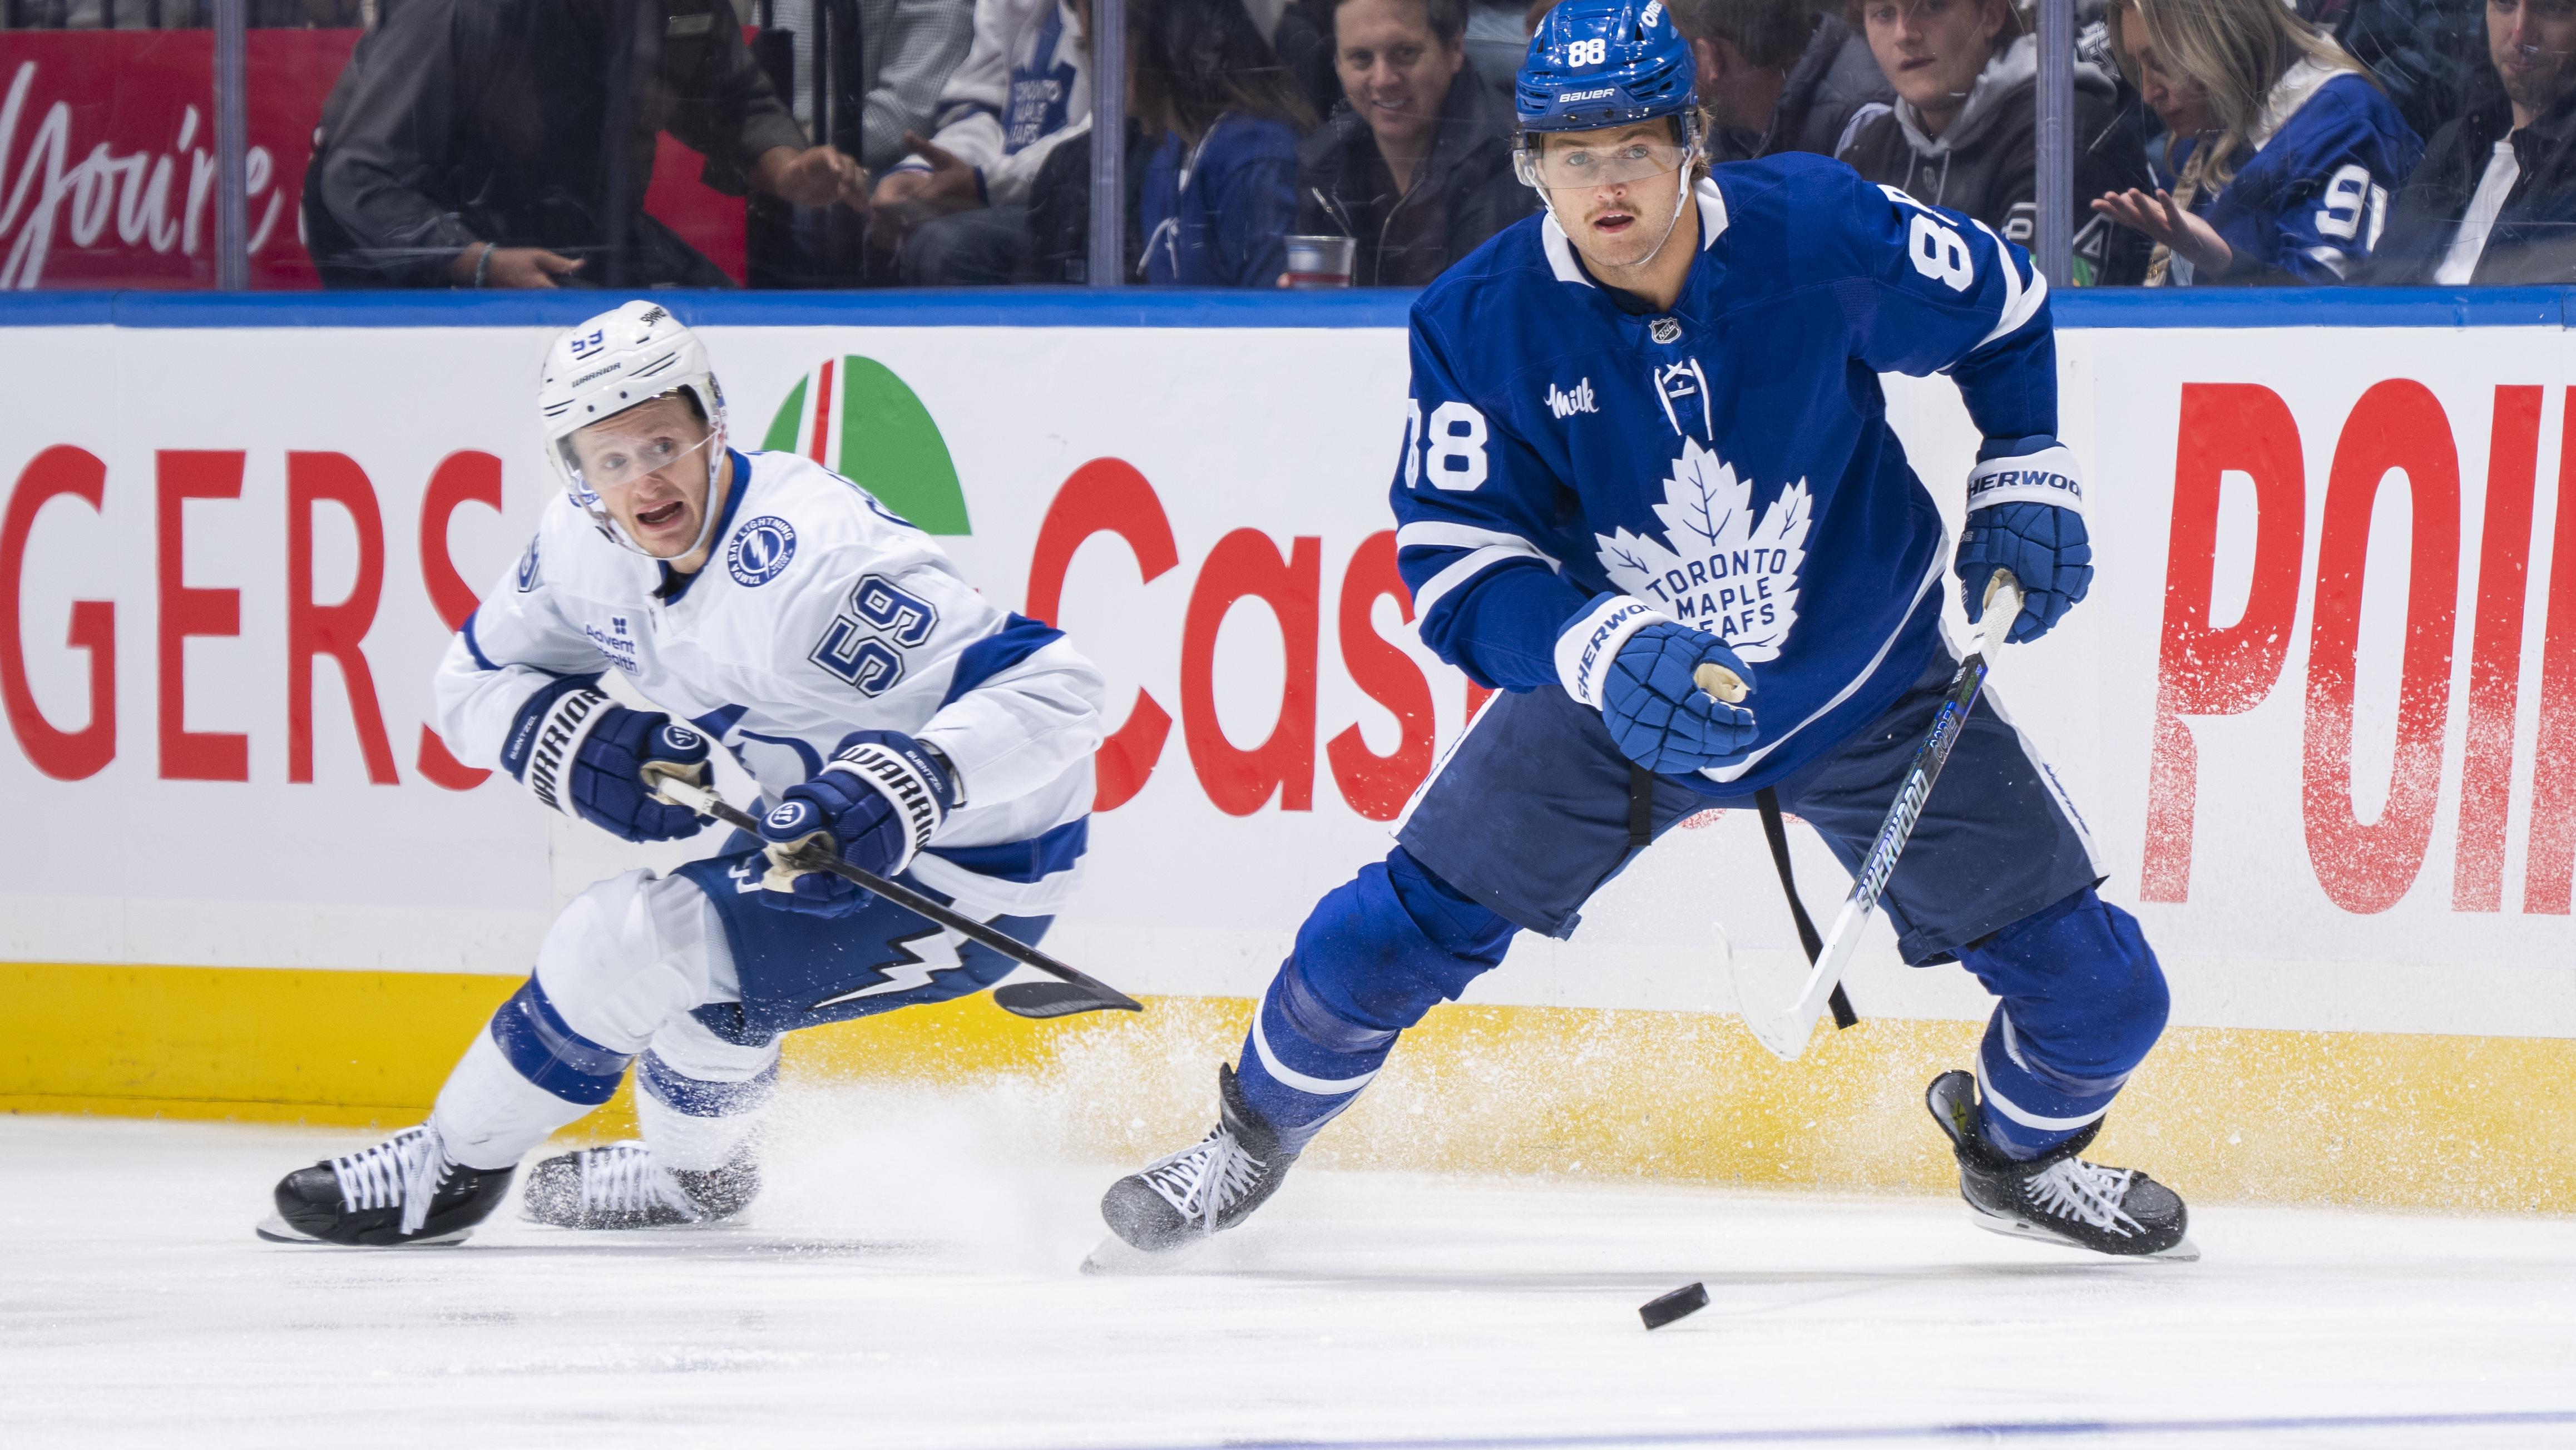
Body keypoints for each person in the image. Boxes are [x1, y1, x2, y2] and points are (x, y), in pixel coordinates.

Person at [1096, 0, 2191, 1265]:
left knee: (2107, 1000)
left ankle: (2014, 1159)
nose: (1605, 186)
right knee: (1372, 943)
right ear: (1530, 164)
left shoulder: (1817, 229)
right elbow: (1459, 567)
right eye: (1573, 156)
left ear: (1690, 142)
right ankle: (1247, 1140)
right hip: (1618, 711)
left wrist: (2024, 459)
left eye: (1632, 148)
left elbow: (2001, 308)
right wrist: (1595, 648)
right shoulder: (1479, 321)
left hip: (1871, 690)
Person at [258, 301, 1106, 1246]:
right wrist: (568, 739)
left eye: (663, 443)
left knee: (622, 945)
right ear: (576, 470)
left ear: (713, 423)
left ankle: (447, 1171)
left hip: (977, 871)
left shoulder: (816, 560)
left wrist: (908, 781)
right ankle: (697, 1179)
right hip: (828, 849)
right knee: (708, 1003)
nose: (644, 480)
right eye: (610, 459)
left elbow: (1058, 686)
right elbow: (474, 680)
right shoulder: (580, 547)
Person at [304, 0, 868, 289]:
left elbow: (732, 100)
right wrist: (477, 264)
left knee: (716, 324)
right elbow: (361, 177)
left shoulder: (677, 3)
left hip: (579, 225)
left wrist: (788, 169)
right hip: (429, 245)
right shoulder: (458, 10)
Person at [2091, 0, 2420, 284]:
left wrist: (2225, 263)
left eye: (2161, 63)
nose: (2148, 94)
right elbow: (2162, 279)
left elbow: (2323, 315)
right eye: (2139, 67)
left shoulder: (2343, 124)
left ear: (2228, 36)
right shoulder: (2200, 130)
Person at [1836, 0, 2155, 284]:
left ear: (1991, 14)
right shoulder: (1867, 150)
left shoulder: (2063, 133)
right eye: (1884, 13)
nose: (1905, 34)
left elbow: (2036, 317)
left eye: (1933, 5)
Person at [1296, 0, 1532, 285]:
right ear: (1337, 65)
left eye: (1405, 53)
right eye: (1361, 57)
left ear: (1455, 49)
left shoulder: (1515, 158)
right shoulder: (1322, 163)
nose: (1383, 80)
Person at [867, 0, 1094, 285]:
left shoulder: (1111, 14)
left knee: (949, 247)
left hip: (1086, 205)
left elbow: (1109, 136)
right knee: (873, 215)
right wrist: (923, 174)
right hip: (1003, 191)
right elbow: (982, 111)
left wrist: (985, 184)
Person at [2370, 0, 2576, 281]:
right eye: (2504, 4)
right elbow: (2379, 281)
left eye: (2552, 8)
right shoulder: (2458, 143)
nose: (2520, 33)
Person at [1133, 0, 1314, 285]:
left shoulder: (1253, 153)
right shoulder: (1168, 154)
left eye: (1124, 36)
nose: (1100, 58)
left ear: (1159, 45)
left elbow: (1268, 306)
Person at [1667, 0, 1892, 164]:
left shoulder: (1863, 122)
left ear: (1710, 58)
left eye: (1673, 51)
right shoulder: (1720, 120)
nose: (1664, 71)